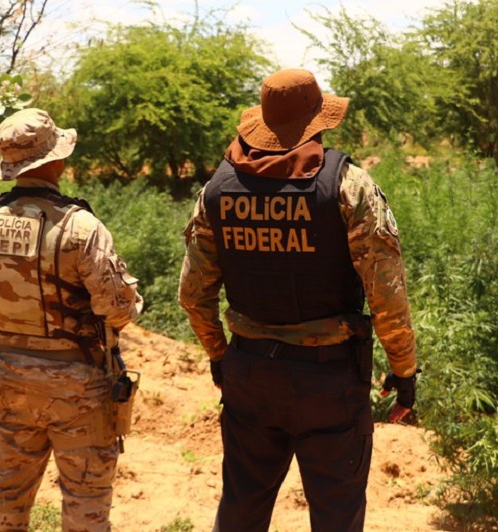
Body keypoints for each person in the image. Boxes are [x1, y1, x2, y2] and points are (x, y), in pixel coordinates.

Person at [178, 68, 418, 532]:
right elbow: (386, 294)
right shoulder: (348, 186)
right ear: (318, 122)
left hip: (249, 374)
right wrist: (404, 370)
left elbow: (192, 296)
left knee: (241, 509)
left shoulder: (217, 190)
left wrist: (218, 355)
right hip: (330, 380)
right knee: (336, 515)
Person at [0, 108, 142, 532]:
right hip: (80, 386)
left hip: (7, 377)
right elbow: (118, 309)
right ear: (55, 160)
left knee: (7, 491)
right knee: (86, 501)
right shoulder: (81, 227)